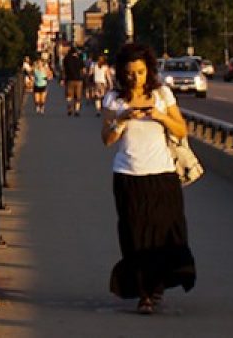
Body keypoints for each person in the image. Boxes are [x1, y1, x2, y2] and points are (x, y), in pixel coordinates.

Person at [101, 41, 196, 314]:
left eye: (140, 72)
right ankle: (144, 293)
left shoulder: (162, 95)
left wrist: (159, 116)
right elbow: (106, 139)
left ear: (149, 71)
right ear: (121, 73)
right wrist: (122, 119)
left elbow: (181, 131)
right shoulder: (113, 99)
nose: (135, 78)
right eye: (130, 73)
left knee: (164, 234)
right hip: (128, 176)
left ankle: (157, 287)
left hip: (163, 176)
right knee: (135, 236)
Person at [62, 47, 87, 116]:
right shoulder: (80, 59)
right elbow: (84, 71)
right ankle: (77, 110)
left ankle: (70, 108)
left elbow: (64, 70)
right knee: (78, 96)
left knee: (69, 96)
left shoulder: (66, 59)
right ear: (76, 53)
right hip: (79, 80)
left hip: (69, 79)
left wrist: (62, 79)